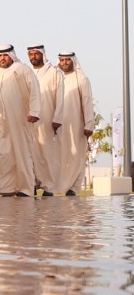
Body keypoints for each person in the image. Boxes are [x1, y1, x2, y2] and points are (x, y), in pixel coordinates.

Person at [0, 44, 41, 197]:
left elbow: (34, 91)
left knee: (20, 153)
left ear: (11, 55)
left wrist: (34, 111)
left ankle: (25, 187)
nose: (2, 58)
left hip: (17, 119)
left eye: (5, 55)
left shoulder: (22, 69)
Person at [25, 45, 68, 195]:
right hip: (31, 121)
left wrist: (57, 118)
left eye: (36, 54)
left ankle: (49, 187)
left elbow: (60, 97)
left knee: (47, 154)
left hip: (48, 120)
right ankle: (33, 184)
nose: (34, 57)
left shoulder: (54, 72)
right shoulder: (27, 72)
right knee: (31, 154)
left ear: (42, 54)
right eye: (31, 54)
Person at [56, 52, 97, 195]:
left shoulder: (81, 79)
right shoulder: (57, 78)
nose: (65, 62)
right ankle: (61, 185)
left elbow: (87, 102)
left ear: (73, 61)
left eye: (67, 60)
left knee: (77, 155)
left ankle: (74, 187)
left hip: (77, 125)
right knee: (61, 156)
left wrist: (89, 125)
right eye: (62, 60)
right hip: (59, 126)